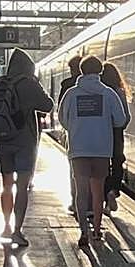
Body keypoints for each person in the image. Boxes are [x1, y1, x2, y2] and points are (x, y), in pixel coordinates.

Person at [0, 48, 53, 247]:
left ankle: (6, 226)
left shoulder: (0, 82)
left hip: (3, 140)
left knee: (6, 185)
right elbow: (47, 105)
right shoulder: (28, 83)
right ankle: (17, 231)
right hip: (24, 140)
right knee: (22, 187)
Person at [59, 55, 125, 248]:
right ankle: (97, 231)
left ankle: (83, 232)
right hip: (101, 150)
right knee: (97, 192)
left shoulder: (71, 94)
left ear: (81, 71)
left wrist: (76, 128)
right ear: (100, 71)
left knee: (81, 192)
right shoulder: (109, 94)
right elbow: (120, 121)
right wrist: (103, 124)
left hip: (78, 149)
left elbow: (63, 118)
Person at [100, 61, 131, 214]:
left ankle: (106, 199)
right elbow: (126, 116)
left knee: (104, 165)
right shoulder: (119, 92)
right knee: (118, 162)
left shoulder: (101, 92)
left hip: (101, 133)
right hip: (117, 133)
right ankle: (114, 191)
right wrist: (120, 127)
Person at [57, 54, 82, 213]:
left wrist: (69, 128)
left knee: (75, 171)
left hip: (74, 134)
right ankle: (94, 206)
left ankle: (76, 201)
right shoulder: (103, 87)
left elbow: (61, 111)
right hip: (99, 138)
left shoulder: (67, 85)